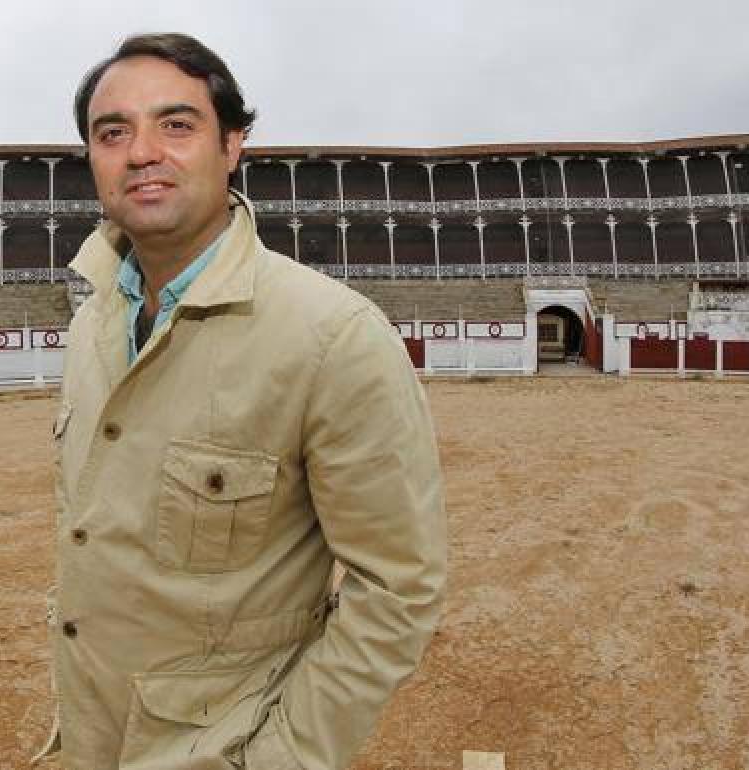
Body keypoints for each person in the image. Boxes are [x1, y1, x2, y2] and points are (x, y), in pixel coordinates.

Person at [36, 32, 446, 770]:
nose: (141, 152)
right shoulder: (90, 325)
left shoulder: (335, 337)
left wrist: (280, 760)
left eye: (177, 124)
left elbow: (398, 591)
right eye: (112, 132)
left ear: (233, 146)